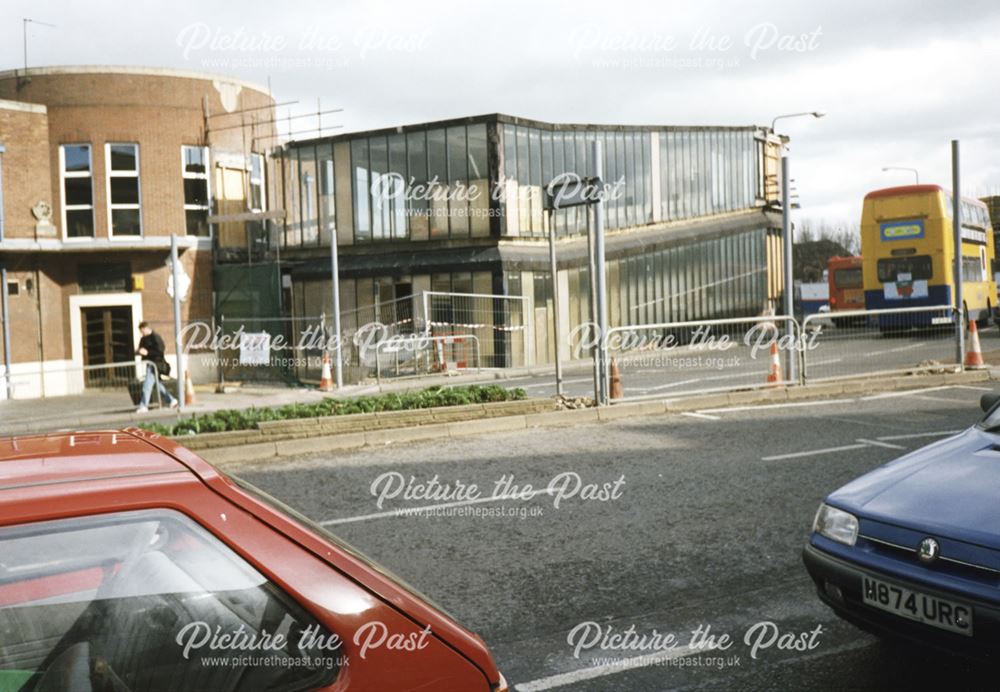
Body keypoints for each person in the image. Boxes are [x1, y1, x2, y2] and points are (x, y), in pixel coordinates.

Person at [135, 322, 178, 413]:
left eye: (142, 331)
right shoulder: (143, 339)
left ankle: (143, 405)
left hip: (155, 365)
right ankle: (171, 400)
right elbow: (141, 349)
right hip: (150, 364)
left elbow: (160, 351)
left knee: (147, 386)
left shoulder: (155, 337)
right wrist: (139, 351)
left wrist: (147, 353)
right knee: (157, 384)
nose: (141, 333)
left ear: (146, 328)